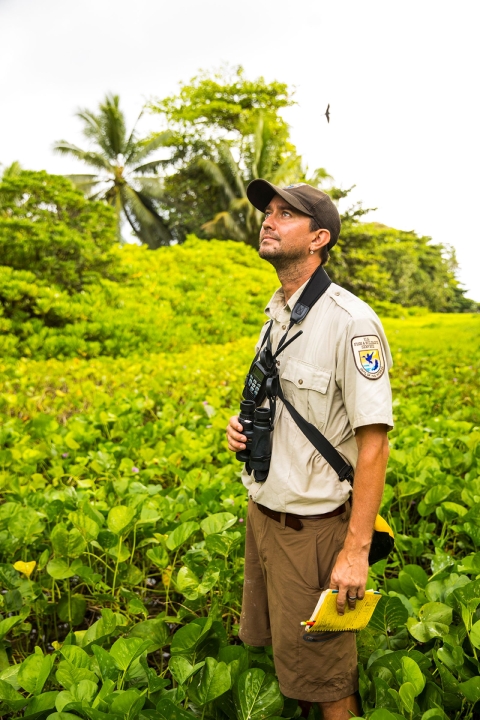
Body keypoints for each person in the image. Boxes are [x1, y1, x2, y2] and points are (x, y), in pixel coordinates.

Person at [226, 180, 393, 720]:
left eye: (285, 215)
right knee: (290, 661)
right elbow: (284, 403)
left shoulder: (352, 323)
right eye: (268, 212)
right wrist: (242, 428)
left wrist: (355, 551)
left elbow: (373, 445)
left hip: (315, 530)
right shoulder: (276, 313)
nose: (268, 221)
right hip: (267, 515)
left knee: (325, 676)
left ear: (319, 238)